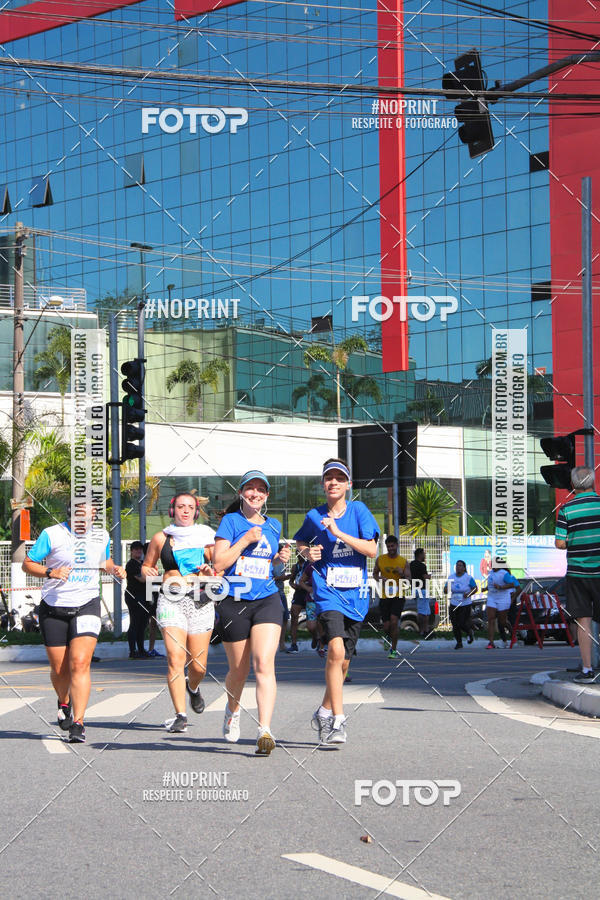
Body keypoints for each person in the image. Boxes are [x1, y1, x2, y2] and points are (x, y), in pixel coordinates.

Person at [22, 503, 126, 743]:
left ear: (94, 516)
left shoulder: (101, 536)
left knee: (79, 663)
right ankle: (63, 701)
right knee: (60, 669)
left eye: (89, 514)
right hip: (54, 606)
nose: (84, 518)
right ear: (69, 513)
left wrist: (115, 569)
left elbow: (105, 562)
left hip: (87, 604)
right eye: (78, 513)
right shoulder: (52, 534)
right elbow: (27, 564)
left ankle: (78, 722)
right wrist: (51, 572)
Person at [294, 458, 378, 746]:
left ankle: (323, 709)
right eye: (328, 478)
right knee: (335, 648)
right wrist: (307, 554)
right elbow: (300, 543)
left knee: (342, 663)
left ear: (348, 485)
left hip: (356, 597)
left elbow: (372, 550)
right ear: (323, 484)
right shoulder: (314, 516)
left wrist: (338, 533)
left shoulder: (359, 511)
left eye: (339, 479)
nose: (333, 483)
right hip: (327, 593)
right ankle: (337, 720)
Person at [212, 470, 291, 755]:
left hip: (267, 599)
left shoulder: (274, 525)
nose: (255, 493)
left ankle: (264, 730)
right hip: (234, 600)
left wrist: (279, 561)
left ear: (266, 495)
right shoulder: (231, 522)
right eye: (250, 489)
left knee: (263, 663)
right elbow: (219, 562)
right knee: (239, 669)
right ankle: (232, 710)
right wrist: (245, 540)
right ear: (242, 493)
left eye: (261, 489)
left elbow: (270, 567)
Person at [142, 492, 216, 733]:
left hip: (201, 601)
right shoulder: (161, 538)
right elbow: (147, 565)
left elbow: (219, 571)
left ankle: (192, 687)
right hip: (170, 601)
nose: (185, 510)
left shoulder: (207, 537)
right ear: (172, 510)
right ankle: (180, 715)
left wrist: (209, 572)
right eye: (181, 506)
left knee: (198, 666)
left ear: (196, 511)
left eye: (190, 507)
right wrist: (148, 573)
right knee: (175, 658)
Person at [555, 466, 600, 682]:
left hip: (578, 573)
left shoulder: (566, 509)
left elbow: (560, 543)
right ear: (593, 482)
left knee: (583, 621)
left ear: (573, 485)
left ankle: (587, 670)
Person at [373, 535, 411, 658]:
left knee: (394, 622)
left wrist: (402, 575)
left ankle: (393, 650)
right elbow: (374, 574)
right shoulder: (380, 559)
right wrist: (380, 578)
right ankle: (387, 636)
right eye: (388, 546)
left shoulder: (403, 562)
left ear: (397, 545)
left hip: (398, 596)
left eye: (392, 546)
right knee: (386, 626)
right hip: (384, 596)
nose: (391, 548)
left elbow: (410, 581)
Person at [485, 559, 520, 648]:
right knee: (491, 619)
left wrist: (501, 587)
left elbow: (514, 586)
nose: (492, 565)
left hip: (504, 598)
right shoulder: (490, 573)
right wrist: (486, 588)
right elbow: (491, 585)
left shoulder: (505, 574)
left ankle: (513, 634)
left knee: (502, 622)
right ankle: (491, 642)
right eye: (491, 563)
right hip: (492, 598)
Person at [125, 541, 150, 659]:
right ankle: (132, 651)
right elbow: (142, 579)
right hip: (134, 596)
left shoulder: (143, 563)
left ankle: (141, 649)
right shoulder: (132, 564)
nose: (138, 551)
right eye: (136, 549)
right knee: (134, 623)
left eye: (140, 549)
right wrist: (152, 575)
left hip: (144, 596)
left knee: (143, 624)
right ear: (132, 551)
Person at [447, 560, 477, 649]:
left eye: (460, 565)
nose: (458, 567)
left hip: (465, 603)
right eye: (457, 565)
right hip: (454, 603)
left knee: (461, 623)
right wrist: (446, 589)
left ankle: (469, 632)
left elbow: (475, 588)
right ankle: (459, 642)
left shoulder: (468, 578)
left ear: (464, 568)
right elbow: (446, 588)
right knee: (455, 624)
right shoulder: (451, 577)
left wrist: (468, 594)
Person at [288, 556, 311, 652]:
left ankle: (318, 640)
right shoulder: (295, 566)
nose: (300, 555)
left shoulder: (310, 564)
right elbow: (291, 580)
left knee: (313, 619)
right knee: (294, 616)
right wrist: (293, 585)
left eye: (302, 554)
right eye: (298, 553)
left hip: (309, 592)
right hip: (299, 593)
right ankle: (294, 644)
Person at [411, 548, 434, 638]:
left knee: (423, 610)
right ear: (420, 555)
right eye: (423, 554)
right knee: (423, 612)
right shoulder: (422, 566)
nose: (424, 556)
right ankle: (424, 631)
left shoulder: (411, 564)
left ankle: (424, 630)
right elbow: (425, 577)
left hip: (414, 589)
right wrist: (430, 576)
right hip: (422, 590)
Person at [273, 543, 290, 651]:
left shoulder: (281, 563)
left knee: (284, 618)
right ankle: (277, 643)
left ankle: (282, 642)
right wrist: (288, 576)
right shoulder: (275, 562)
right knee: (277, 619)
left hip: (281, 592)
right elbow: (276, 577)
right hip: (275, 593)